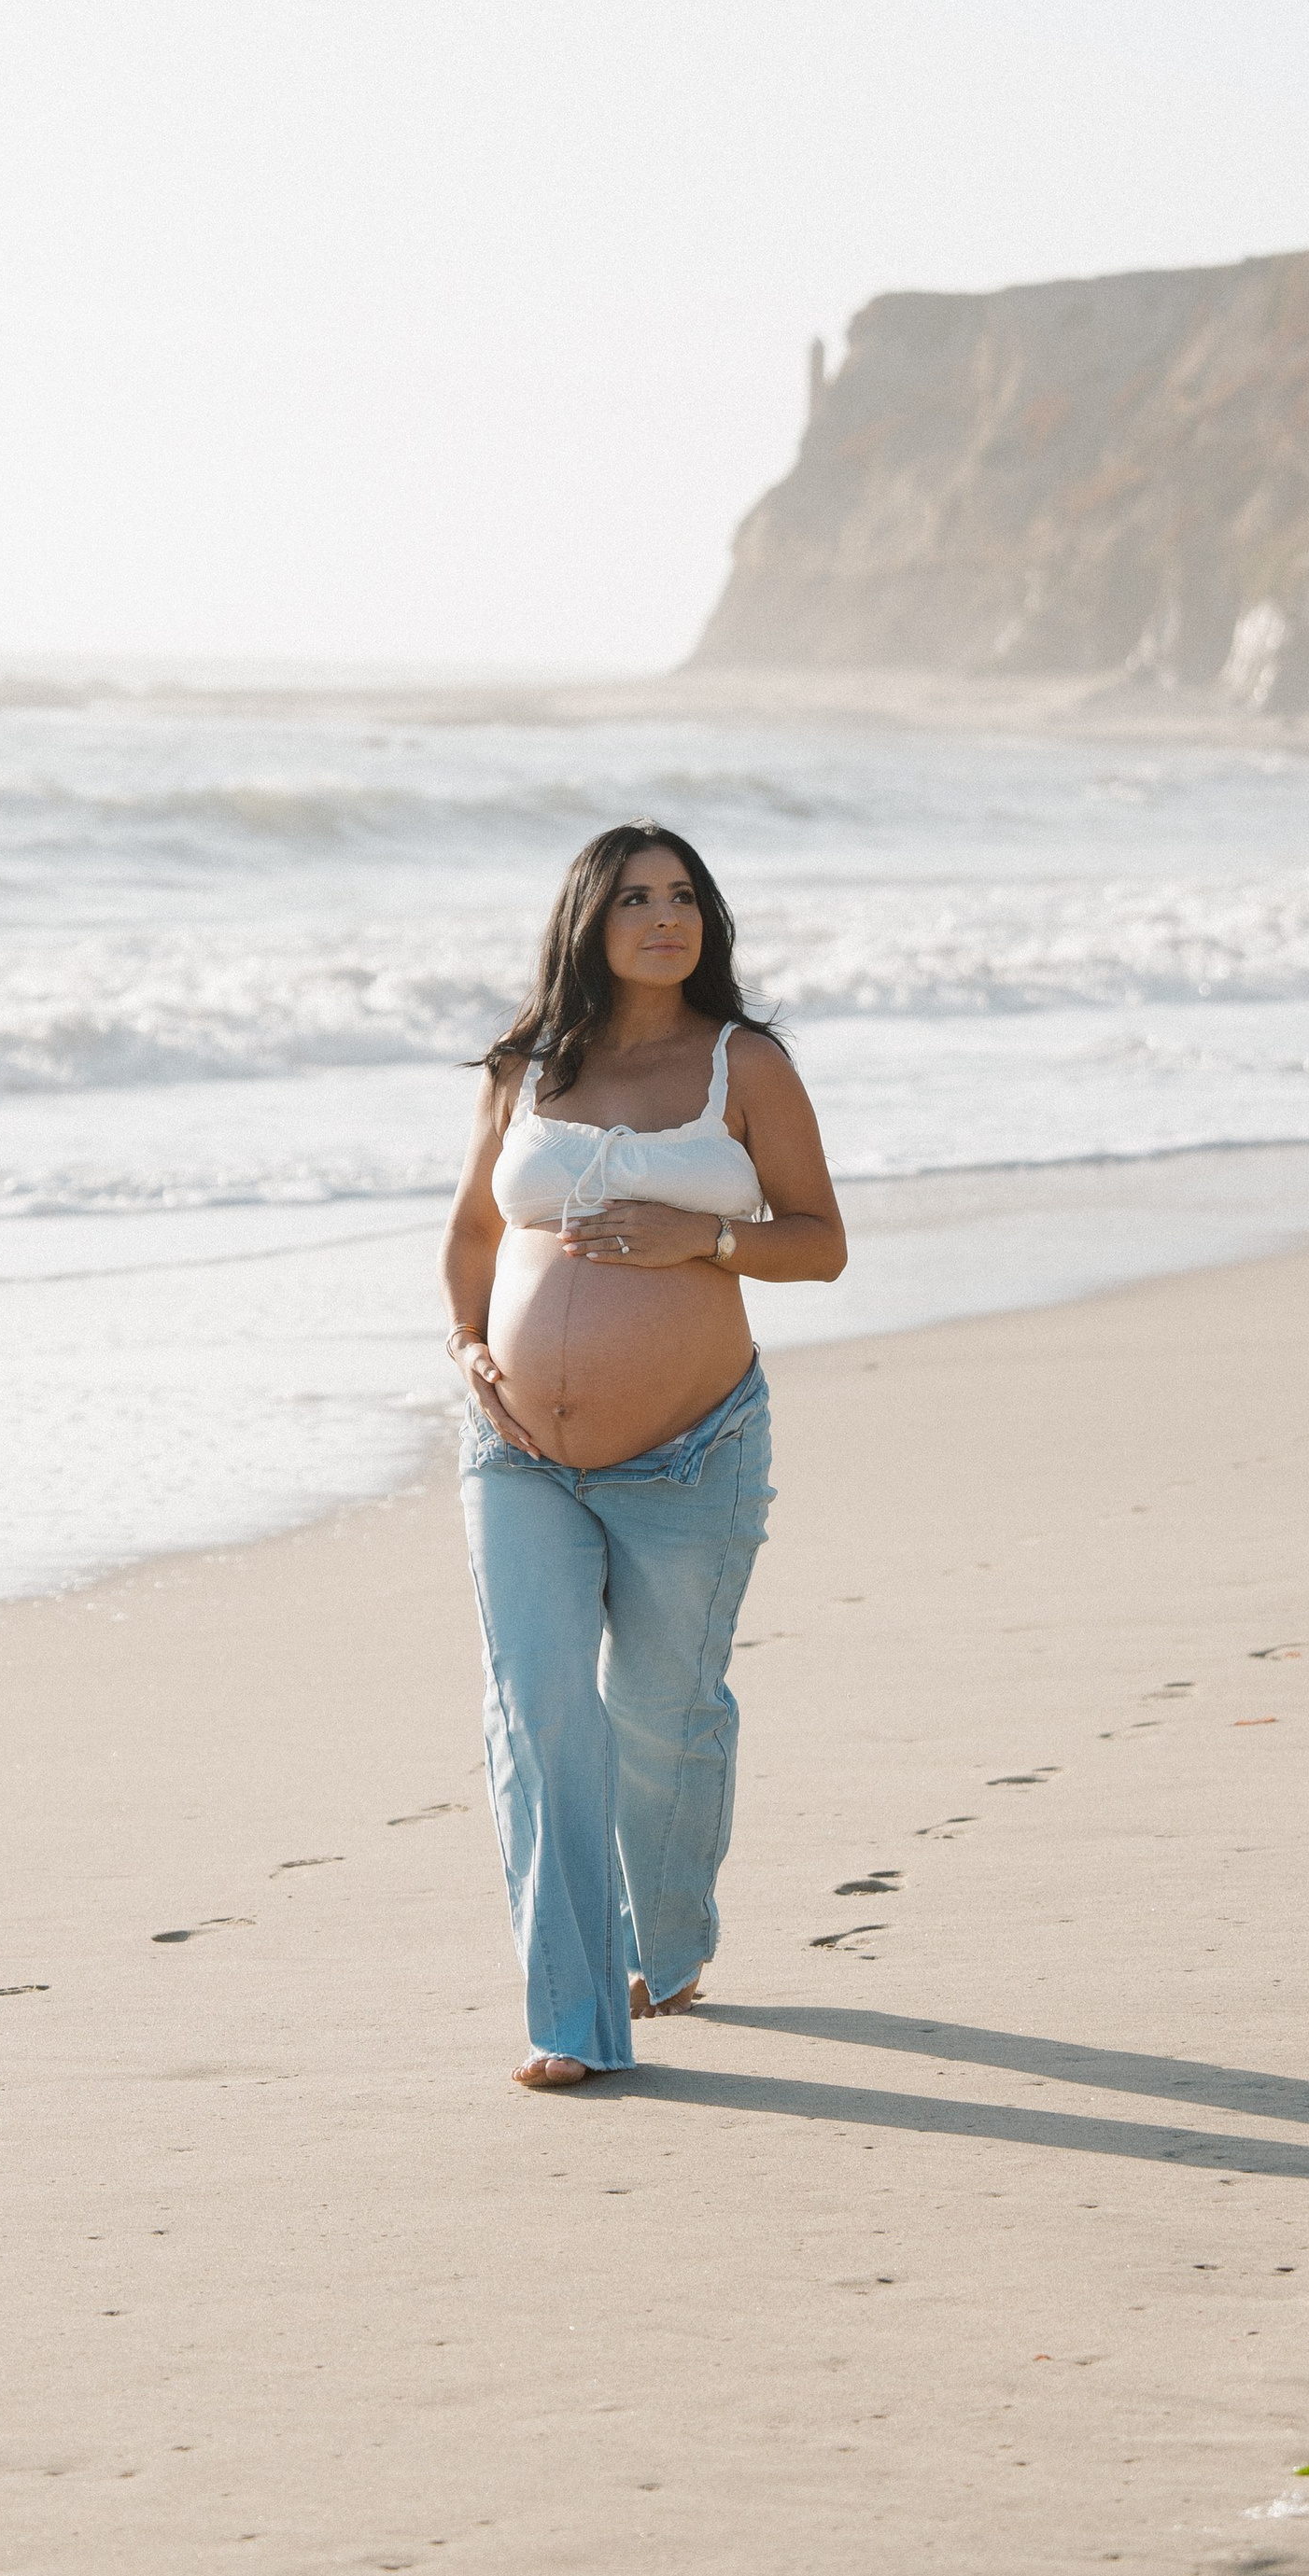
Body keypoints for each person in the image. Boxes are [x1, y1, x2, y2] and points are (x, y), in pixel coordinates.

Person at [439, 821, 848, 2089]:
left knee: (664, 1722)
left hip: (693, 1454)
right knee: (544, 1713)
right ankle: (571, 2014)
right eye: (634, 898)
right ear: (589, 920)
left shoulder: (747, 1063)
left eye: (683, 896)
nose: (665, 916)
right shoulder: (525, 1064)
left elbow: (822, 1240)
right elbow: (468, 1234)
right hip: (517, 1457)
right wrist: (467, 1351)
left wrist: (703, 1241)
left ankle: (667, 1943)